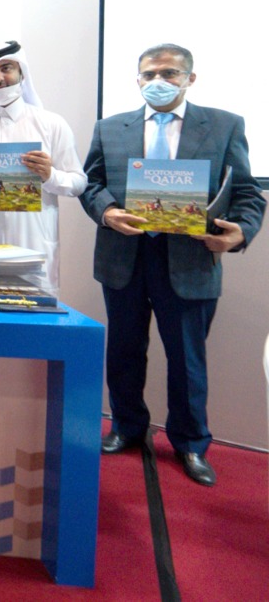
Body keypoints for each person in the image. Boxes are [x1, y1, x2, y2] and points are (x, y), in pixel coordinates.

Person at [81, 43, 264, 486]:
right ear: (138, 79)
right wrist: (106, 212)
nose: (157, 81)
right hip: (124, 257)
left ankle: (190, 442)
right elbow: (92, 183)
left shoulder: (223, 126)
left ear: (189, 78)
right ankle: (126, 426)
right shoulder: (111, 127)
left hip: (190, 259)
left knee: (187, 358)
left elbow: (247, 192)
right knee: (124, 350)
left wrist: (241, 232)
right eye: (148, 74)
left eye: (168, 73)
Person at [0, 40, 86, 290]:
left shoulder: (52, 124)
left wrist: (50, 176)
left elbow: (78, 183)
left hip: (33, 246)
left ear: (21, 72)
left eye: (6, 68)